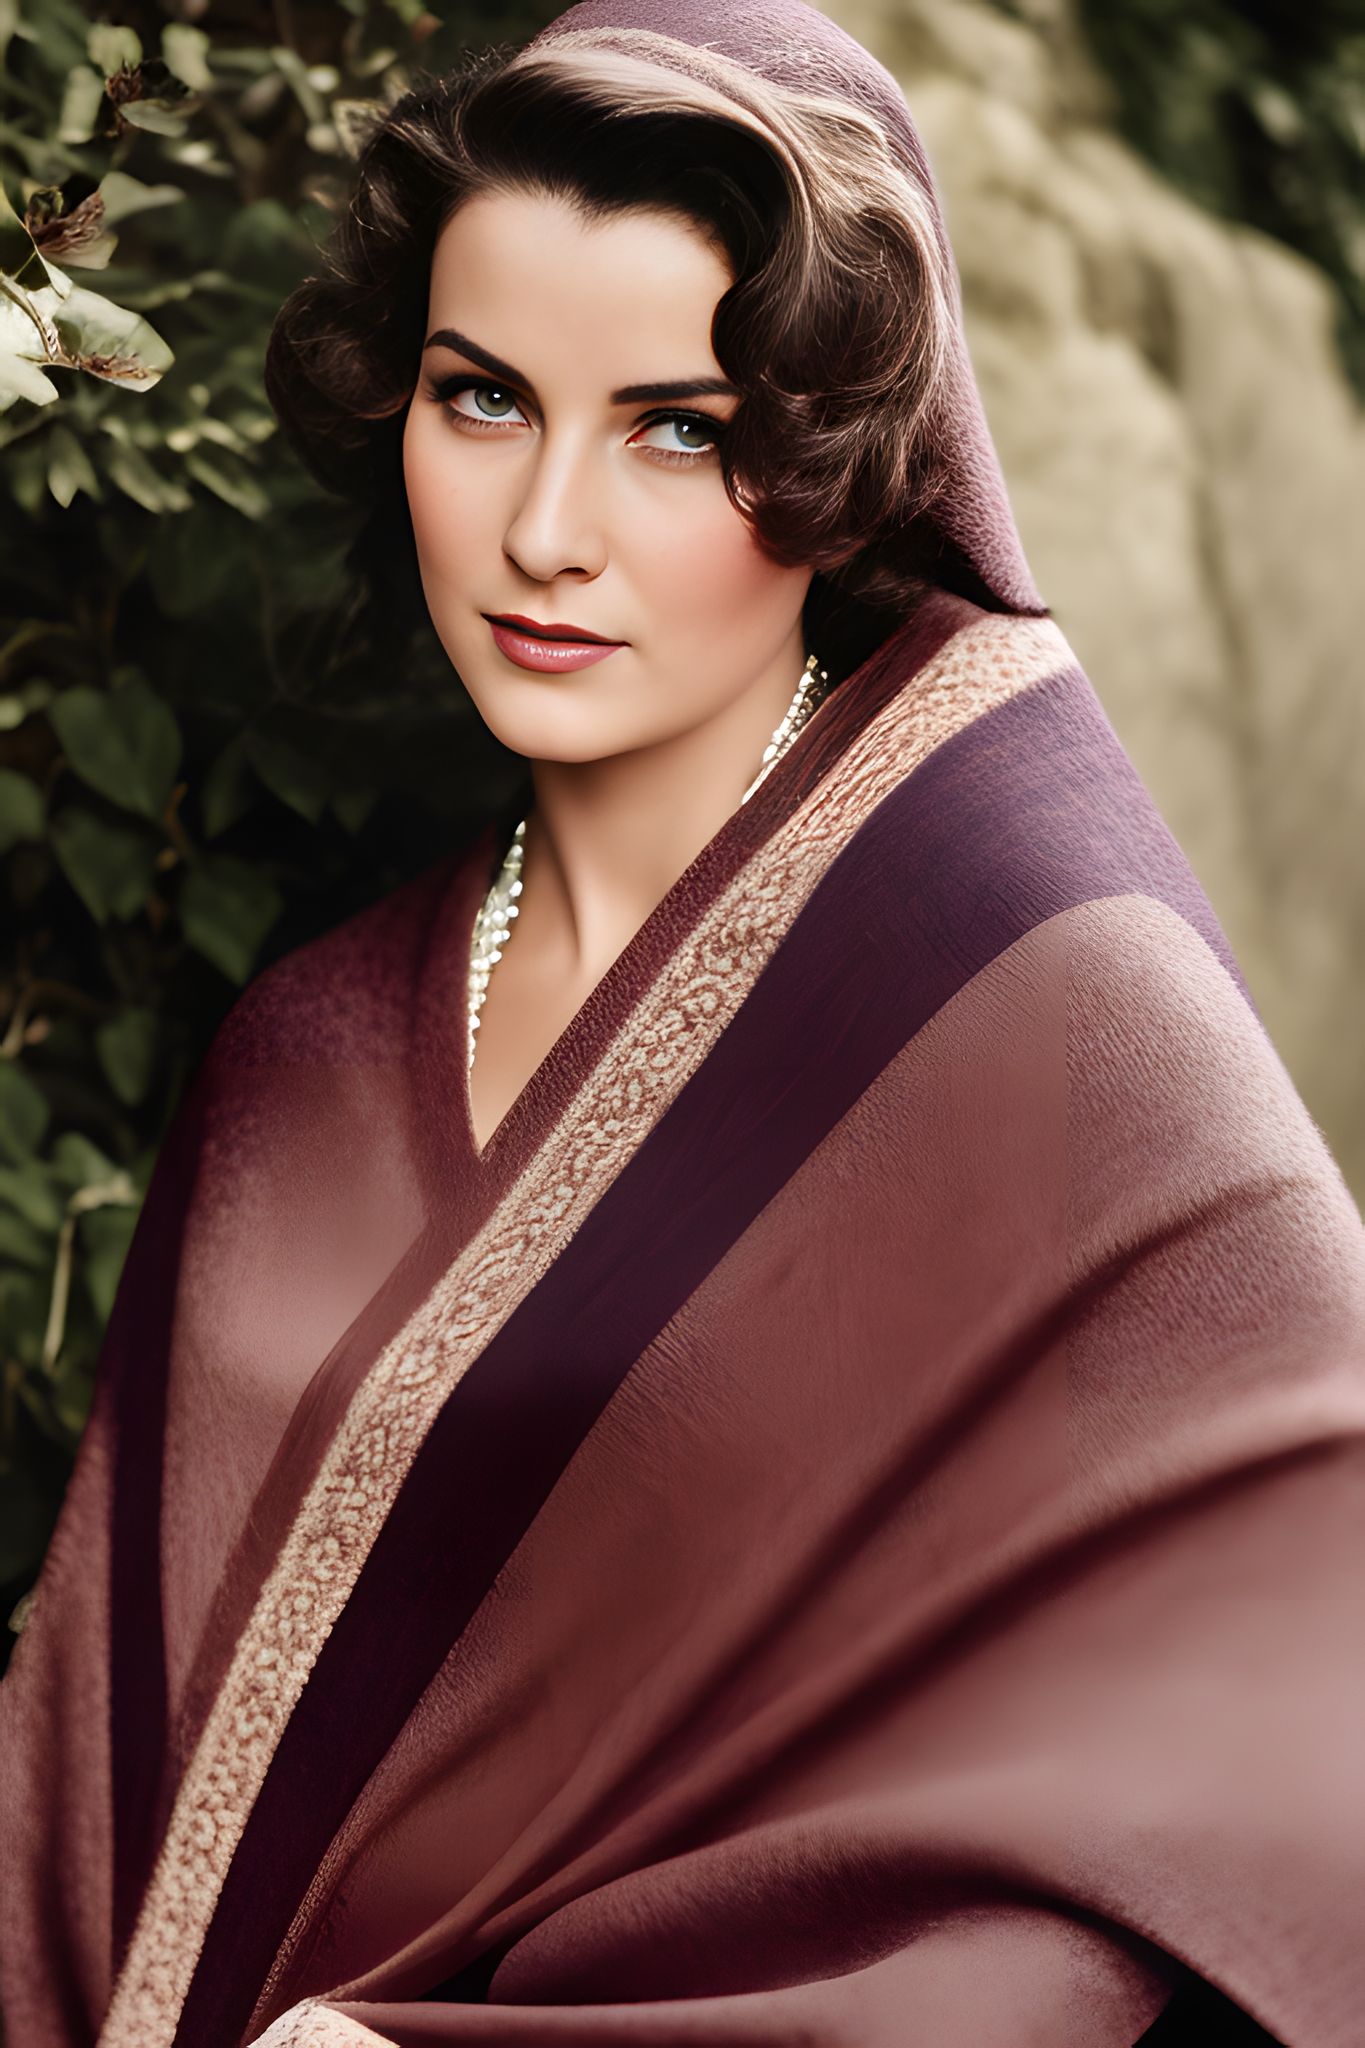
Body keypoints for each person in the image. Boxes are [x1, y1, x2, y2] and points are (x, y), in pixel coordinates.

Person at [2, 2, 1361, 2043]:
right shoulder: (305, 1043)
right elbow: (86, 1777)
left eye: (676, 426)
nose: (547, 526)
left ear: (832, 456)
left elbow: (1289, 1728)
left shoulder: (1038, 990)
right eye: (481, 398)